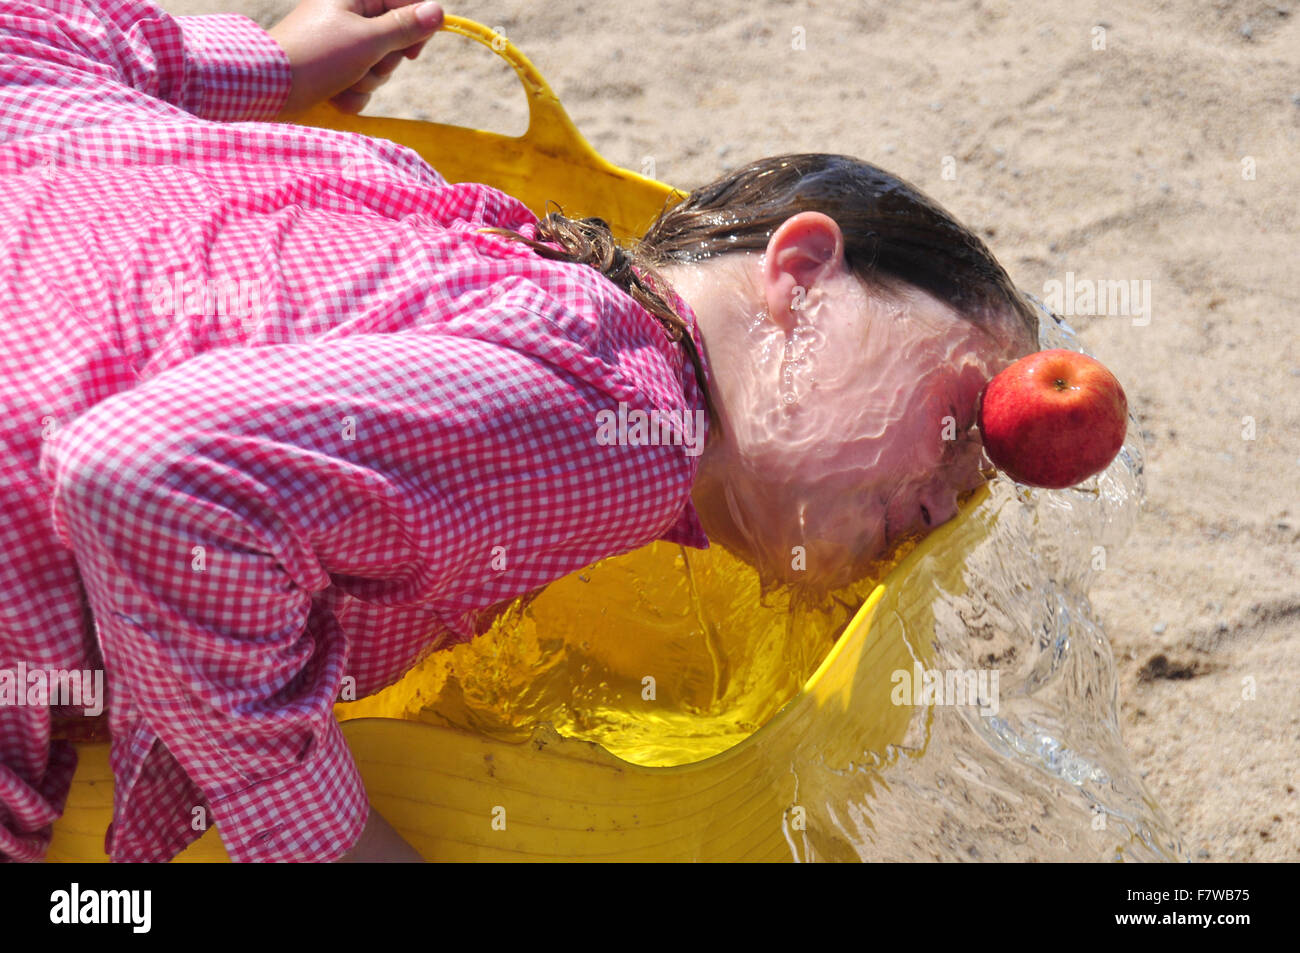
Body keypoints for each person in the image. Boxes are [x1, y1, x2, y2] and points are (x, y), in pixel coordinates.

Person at [0, 0, 1037, 863]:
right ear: (802, 276)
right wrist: (329, 835)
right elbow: (143, 476)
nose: (945, 502)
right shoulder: (618, 427)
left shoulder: (458, 225)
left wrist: (268, 63)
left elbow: (30, 50)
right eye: (953, 425)